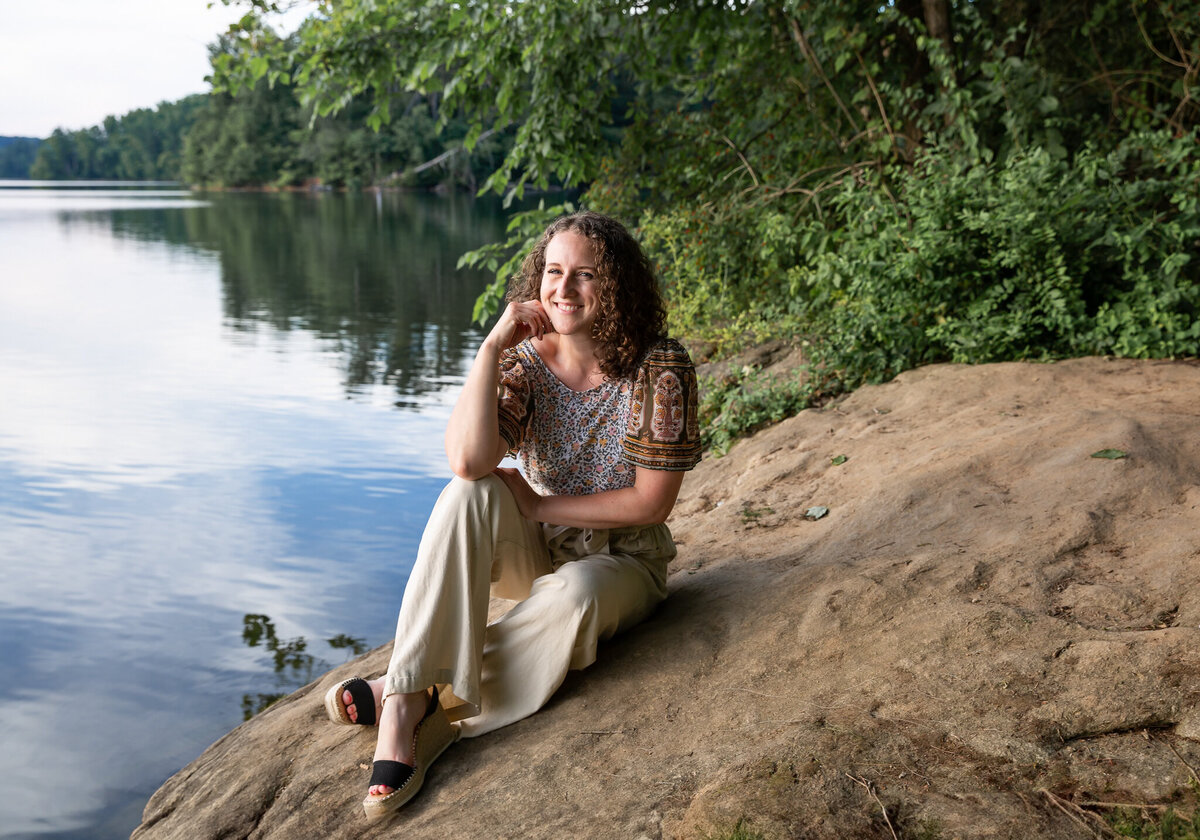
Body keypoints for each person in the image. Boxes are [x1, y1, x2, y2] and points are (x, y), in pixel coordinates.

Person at [323, 211, 702, 821]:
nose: (564, 289)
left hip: (623, 559)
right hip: (535, 551)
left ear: (618, 285)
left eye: (586, 275)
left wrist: (539, 503)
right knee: (466, 493)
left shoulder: (659, 367)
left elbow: (652, 502)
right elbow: (470, 460)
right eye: (554, 272)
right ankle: (405, 698)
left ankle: (424, 702)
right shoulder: (524, 364)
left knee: (576, 591)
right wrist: (492, 347)